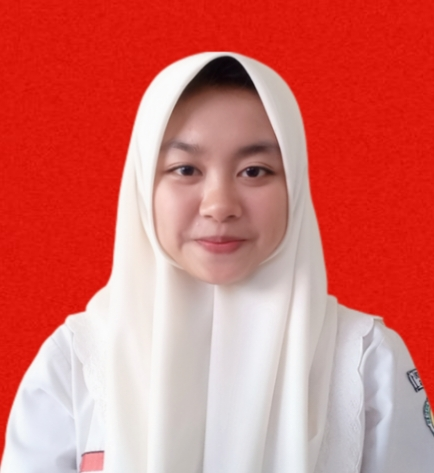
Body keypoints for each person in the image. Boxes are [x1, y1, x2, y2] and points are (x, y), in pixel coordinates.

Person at [1, 52, 433, 473]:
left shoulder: (364, 359)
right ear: (143, 186)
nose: (220, 205)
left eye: (255, 171)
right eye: (185, 169)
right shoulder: (76, 360)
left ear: (295, 186)